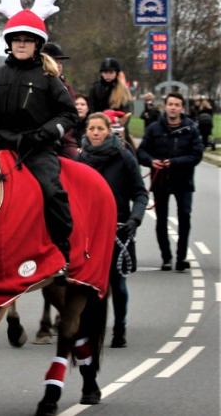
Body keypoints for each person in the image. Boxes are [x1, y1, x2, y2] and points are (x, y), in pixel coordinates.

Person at [0, 0, 77, 261]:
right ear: (9, 42)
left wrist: (46, 133)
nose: (21, 44)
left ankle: (62, 249)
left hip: (36, 147)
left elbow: (68, 114)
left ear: (37, 44)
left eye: (27, 40)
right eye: (17, 39)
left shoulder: (48, 77)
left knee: (52, 192)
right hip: (0, 144)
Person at [79, 112, 148, 348]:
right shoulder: (81, 160)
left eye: (100, 129)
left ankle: (120, 328)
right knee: (87, 283)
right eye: (92, 129)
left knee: (117, 283)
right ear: (86, 131)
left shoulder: (124, 157)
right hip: (89, 232)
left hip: (119, 230)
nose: (96, 133)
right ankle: (88, 329)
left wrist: (135, 219)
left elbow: (140, 193)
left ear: (109, 131)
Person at [137, 92, 203, 271]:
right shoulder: (154, 129)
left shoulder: (191, 129)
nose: (173, 107)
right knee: (161, 220)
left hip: (183, 181)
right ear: (165, 106)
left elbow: (196, 155)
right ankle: (166, 257)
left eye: (177, 104)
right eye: (170, 104)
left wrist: (174, 162)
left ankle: (181, 258)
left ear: (182, 108)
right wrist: (151, 161)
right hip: (161, 180)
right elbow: (141, 152)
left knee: (184, 217)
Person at [41, 42, 78, 158]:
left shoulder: (66, 86)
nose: (59, 65)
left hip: (65, 138)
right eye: (55, 62)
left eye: (60, 62)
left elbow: (72, 114)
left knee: (76, 158)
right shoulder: (38, 84)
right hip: (41, 137)